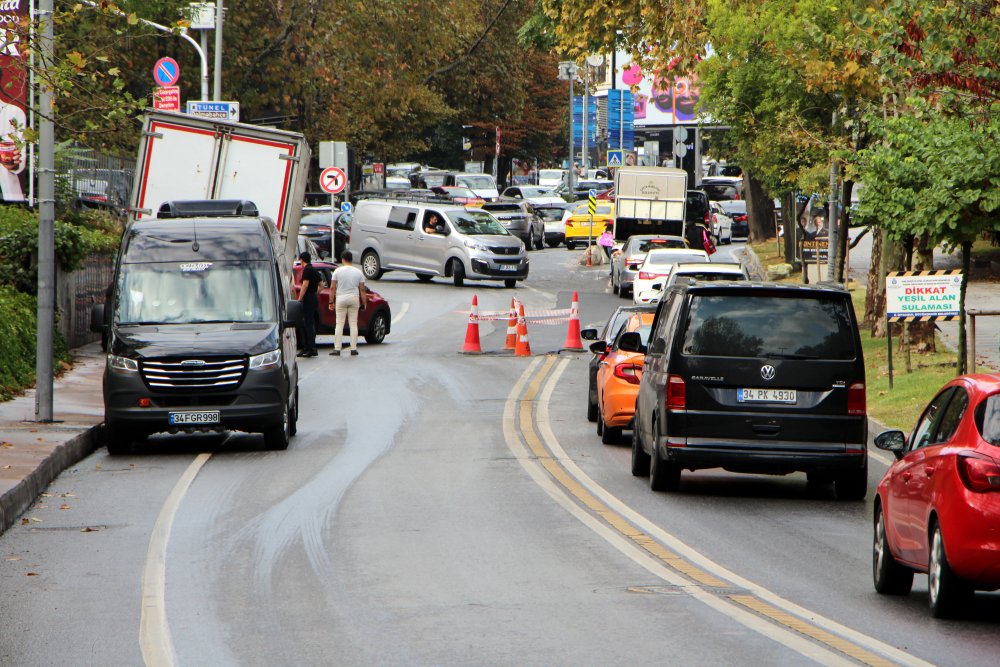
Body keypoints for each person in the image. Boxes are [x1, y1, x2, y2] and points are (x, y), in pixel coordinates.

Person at [328, 249, 368, 356]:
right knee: (353, 324)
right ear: (351, 259)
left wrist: (331, 302)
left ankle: (337, 348)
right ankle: (353, 348)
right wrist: (364, 303)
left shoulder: (337, 271)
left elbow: (332, 288)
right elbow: (362, 290)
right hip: (354, 298)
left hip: (341, 298)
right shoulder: (358, 272)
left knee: (339, 324)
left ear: (343, 259)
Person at [296, 252, 321, 357]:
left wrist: (300, 298)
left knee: (307, 323)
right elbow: (322, 285)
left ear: (302, 260)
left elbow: (305, 285)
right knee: (309, 323)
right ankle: (309, 347)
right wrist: (315, 293)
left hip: (308, 298)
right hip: (313, 297)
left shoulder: (306, 270)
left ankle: (310, 348)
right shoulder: (315, 270)